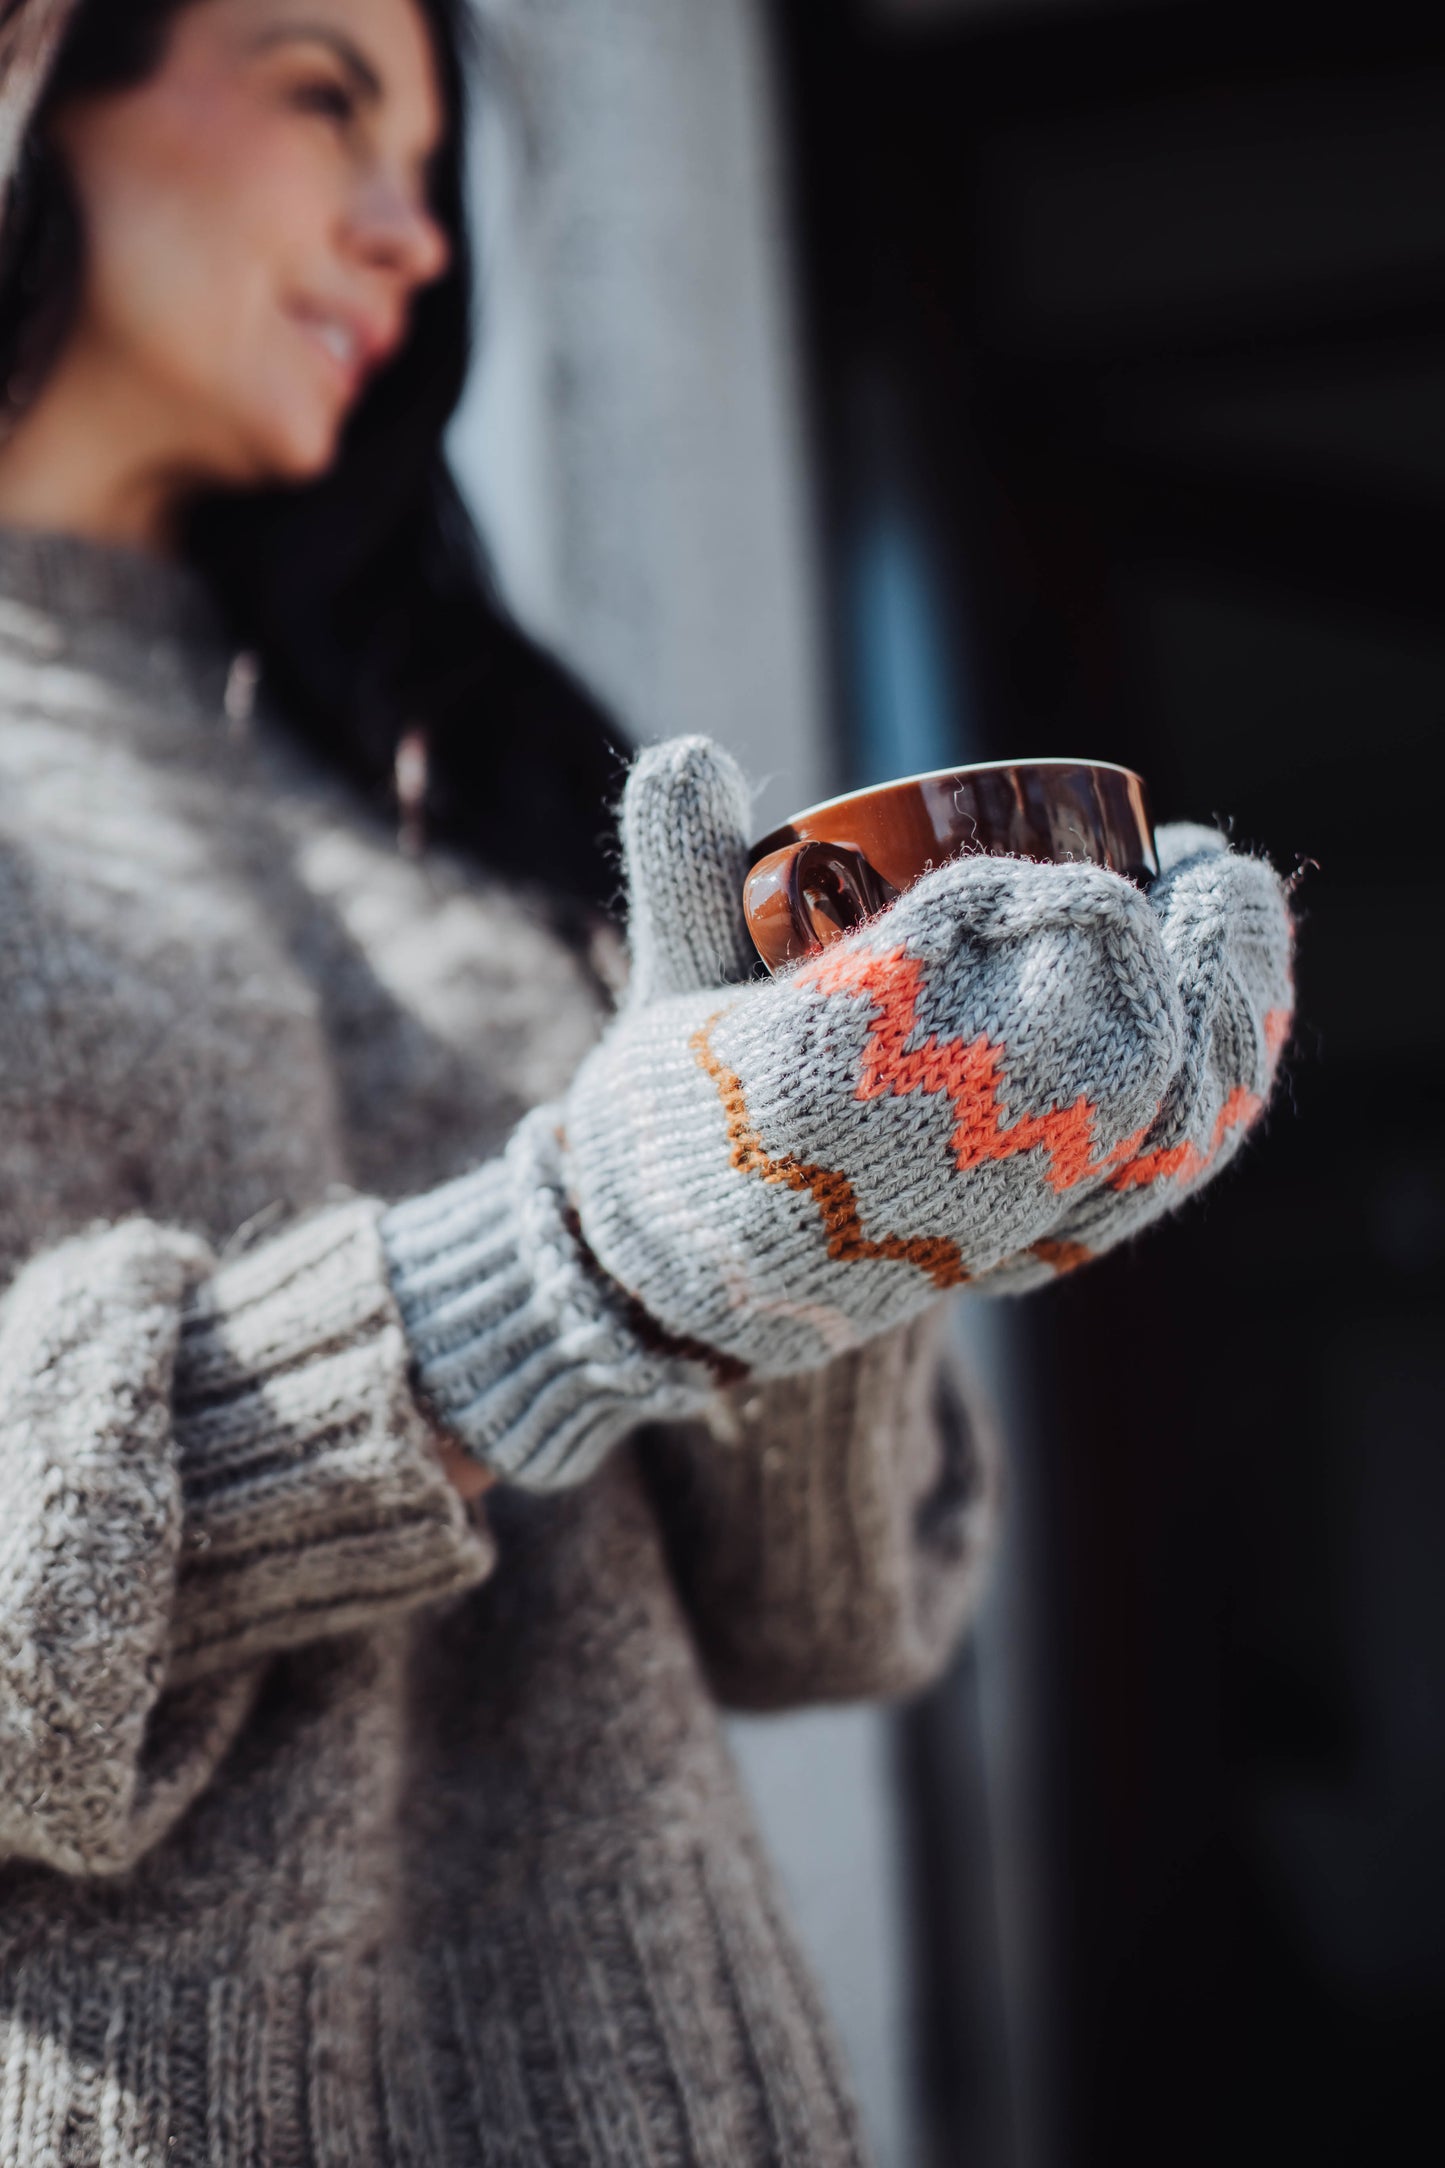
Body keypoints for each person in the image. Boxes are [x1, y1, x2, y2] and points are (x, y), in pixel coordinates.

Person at [0, 2, 1293, 2161]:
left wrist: (867, 1218)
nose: (417, 238)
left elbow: (836, 1612)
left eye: (431, 156)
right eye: (330, 95)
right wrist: (571, 1269)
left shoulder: (454, 750)